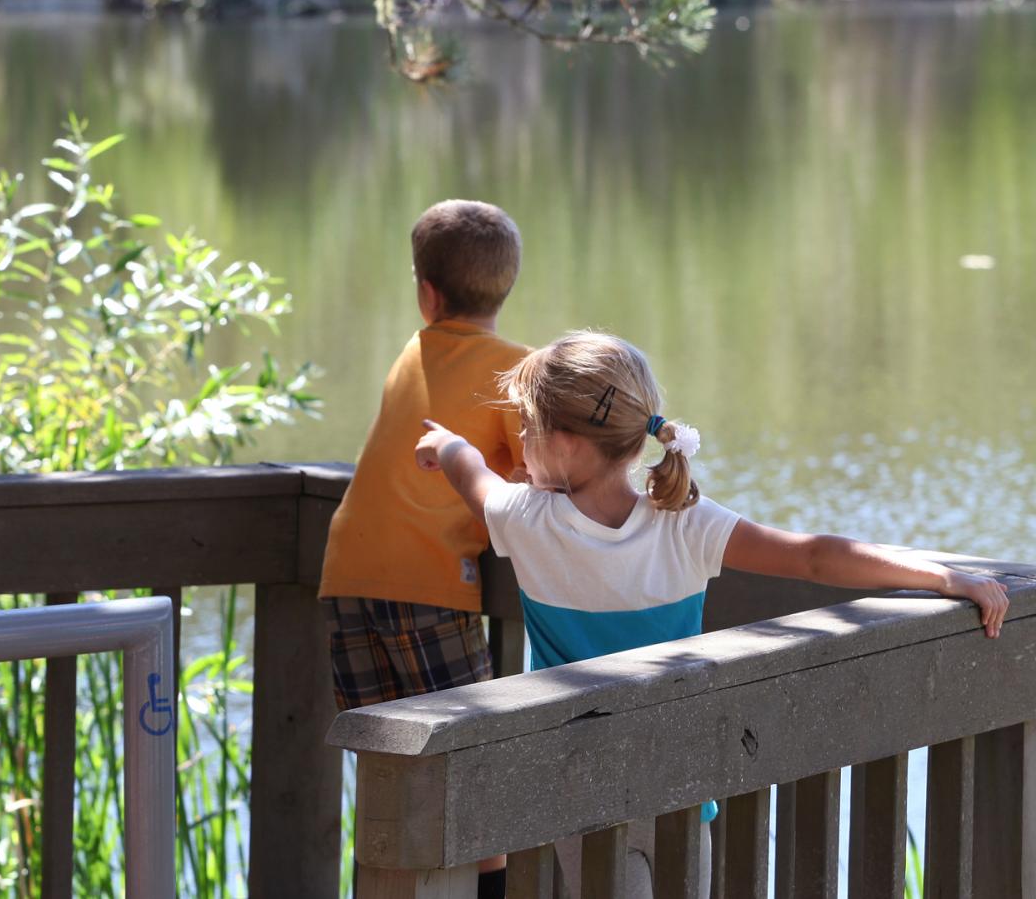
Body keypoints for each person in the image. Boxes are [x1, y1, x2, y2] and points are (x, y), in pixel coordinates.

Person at [415, 329, 1009, 898]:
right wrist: (943, 576)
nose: (519, 441)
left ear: (566, 443)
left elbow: (473, 474)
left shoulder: (525, 519)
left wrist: (444, 444)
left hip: (578, 788)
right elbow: (814, 558)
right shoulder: (684, 522)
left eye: (526, 427)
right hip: (681, 776)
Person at [318, 199, 529, 897]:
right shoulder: (517, 371)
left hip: (346, 573)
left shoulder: (414, 348)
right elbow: (536, 476)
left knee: (390, 776)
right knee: (475, 769)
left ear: (427, 293)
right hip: (427, 581)